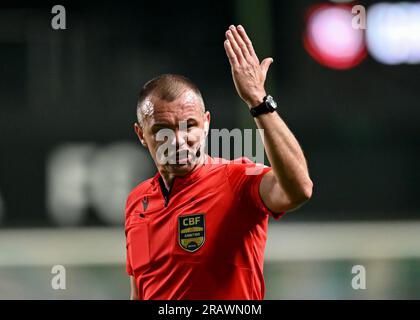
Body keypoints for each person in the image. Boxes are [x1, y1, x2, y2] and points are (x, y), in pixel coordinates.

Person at [125, 25, 313, 300]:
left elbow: (299, 189)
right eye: (162, 129)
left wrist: (258, 102)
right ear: (141, 135)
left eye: (189, 125)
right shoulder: (136, 202)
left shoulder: (236, 180)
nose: (178, 140)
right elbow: (141, 291)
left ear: (207, 124)